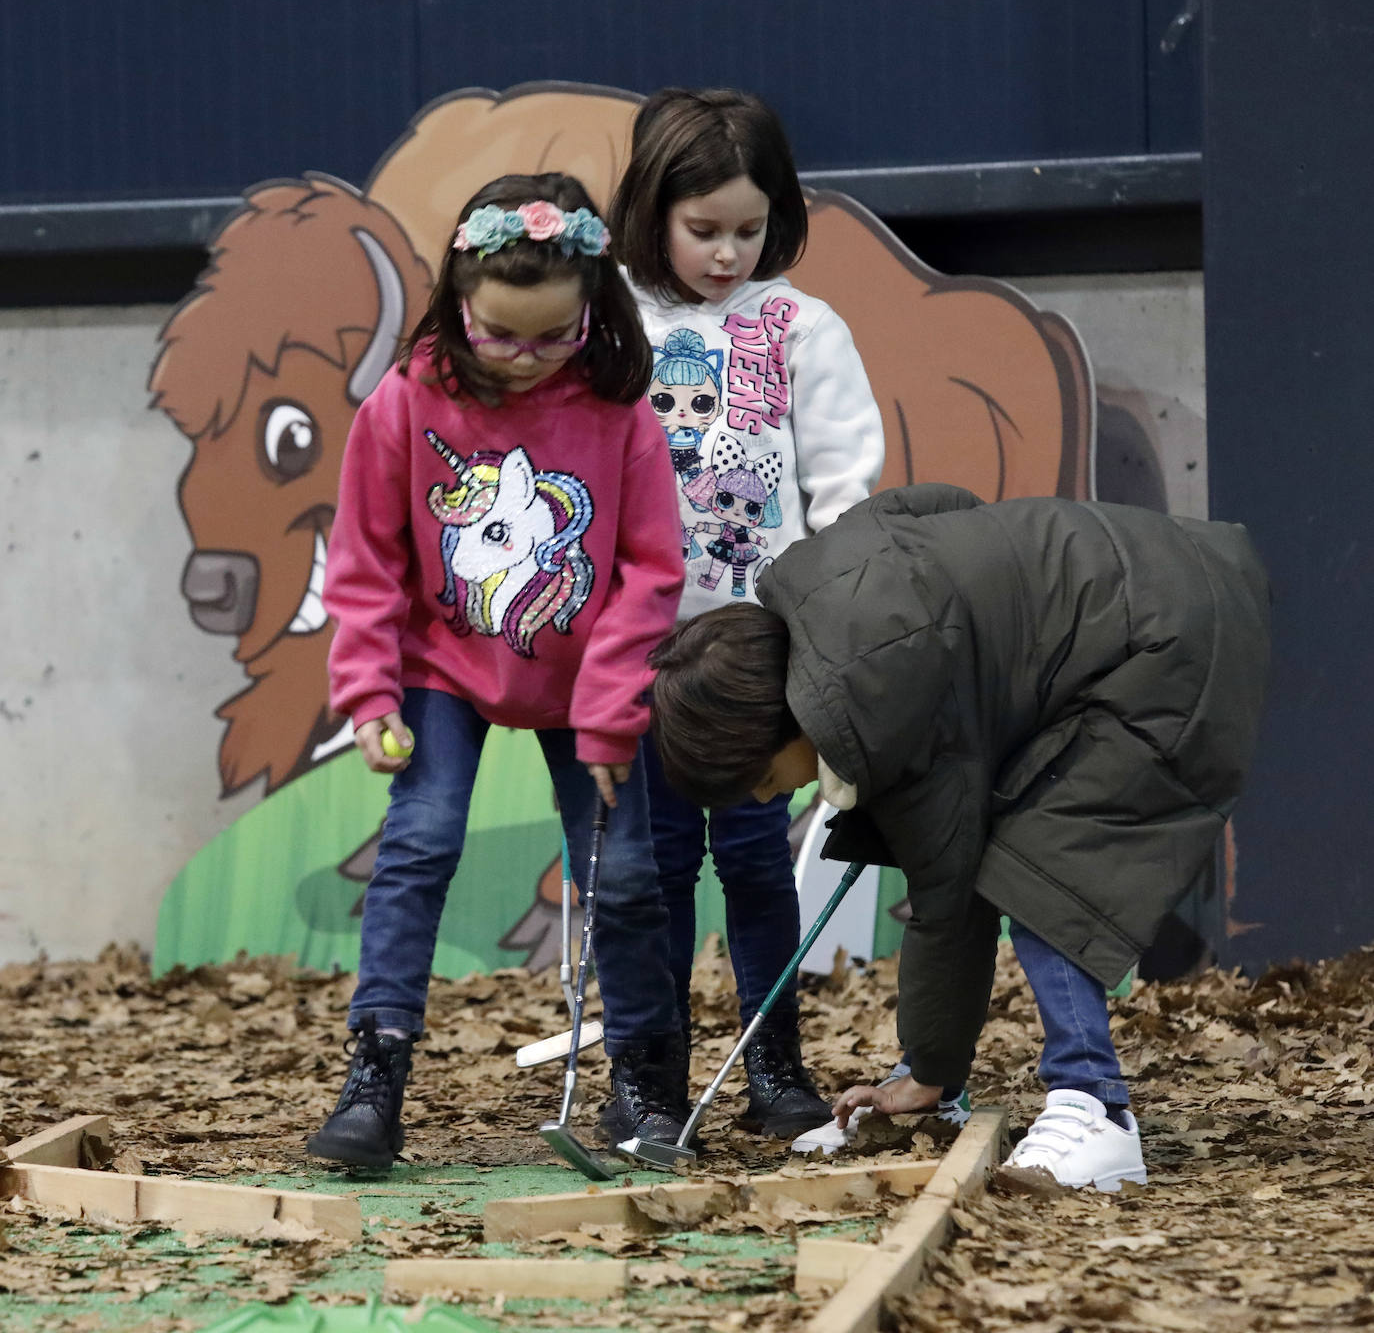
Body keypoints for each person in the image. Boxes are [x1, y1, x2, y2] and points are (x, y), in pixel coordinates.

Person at [647, 483, 1271, 1190]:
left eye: (758, 778)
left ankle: (1095, 1112)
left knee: (1047, 872)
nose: (768, 795)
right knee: (1024, 852)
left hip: (1167, 641)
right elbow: (937, 503)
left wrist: (929, 1070)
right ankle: (967, 1088)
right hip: (1154, 584)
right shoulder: (824, 597)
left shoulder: (883, 697)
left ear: (771, 723)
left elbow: (951, 906)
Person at [308, 173, 689, 1170]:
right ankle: (375, 1074)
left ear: (593, 310)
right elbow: (366, 561)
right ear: (459, 301)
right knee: (419, 842)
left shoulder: (619, 414)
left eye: (551, 337)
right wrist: (369, 692)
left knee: (632, 872)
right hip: (442, 667)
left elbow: (651, 570)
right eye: (501, 334)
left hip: (585, 688)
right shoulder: (407, 402)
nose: (524, 359)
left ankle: (645, 1080)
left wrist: (611, 713)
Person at [608, 88, 886, 1136]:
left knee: (759, 862)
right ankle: (648, 1078)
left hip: (762, 663)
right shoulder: (611, 323)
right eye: (703, 230)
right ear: (651, 210)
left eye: (750, 229)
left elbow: (844, 487)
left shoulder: (803, 328)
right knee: (650, 873)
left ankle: (774, 1067)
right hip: (639, 655)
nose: (728, 254)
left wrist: (826, 635)